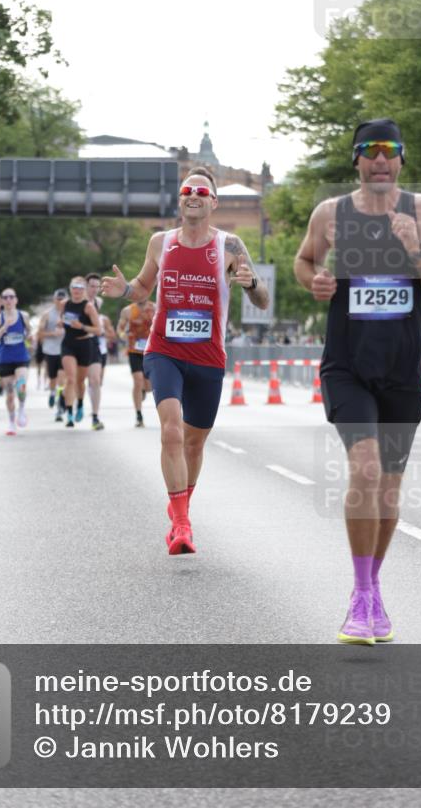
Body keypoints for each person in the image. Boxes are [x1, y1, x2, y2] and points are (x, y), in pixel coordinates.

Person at [294, 118, 421, 644]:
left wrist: (417, 250)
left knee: (388, 490)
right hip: (347, 365)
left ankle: (373, 588)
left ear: (402, 159)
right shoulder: (330, 213)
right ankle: (361, 596)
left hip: (402, 370)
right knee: (364, 469)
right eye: (370, 150)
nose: (380, 159)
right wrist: (315, 282)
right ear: (357, 160)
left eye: (390, 150)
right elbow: (303, 261)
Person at [102, 168, 269, 554]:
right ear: (180, 200)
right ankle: (181, 524)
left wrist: (251, 284)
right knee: (172, 431)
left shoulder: (230, 246)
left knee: (194, 444)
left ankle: (181, 506)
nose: (193, 195)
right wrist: (124, 289)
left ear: (213, 202)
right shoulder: (160, 243)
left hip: (209, 356)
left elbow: (262, 300)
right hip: (165, 350)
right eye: (186, 190)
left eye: (201, 191)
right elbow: (143, 287)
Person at [60, 276, 102, 429]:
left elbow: (98, 330)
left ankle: (80, 404)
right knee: (70, 379)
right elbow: (62, 319)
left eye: (80, 287)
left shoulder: (88, 307)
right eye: (74, 287)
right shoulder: (64, 304)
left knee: (79, 381)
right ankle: (69, 414)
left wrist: (82, 326)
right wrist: (61, 323)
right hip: (68, 344)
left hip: (84, 344)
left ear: (84, 290)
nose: (77, 290)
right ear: (70, 289)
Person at [0, 288, 32, 436]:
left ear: (16, 300)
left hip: (21, 357)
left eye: (11, 297)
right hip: (5, 359)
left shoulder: (23, 316)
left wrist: (29, 338)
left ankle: (21, 409)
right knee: (9, 394)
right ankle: (11, 422)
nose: (8, 300)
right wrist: (3, 328)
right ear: (2, 301)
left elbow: (29, 332)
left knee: (21, 385)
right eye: (5, 297)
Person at [117, 297, 156, 426]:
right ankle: (139, 415)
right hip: (134, 350)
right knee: (138, 380)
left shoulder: (155, 308)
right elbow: (120, 328)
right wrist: (123, 336)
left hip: (150, 351)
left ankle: (144, 390)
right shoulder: (128, 310)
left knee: (149, 386)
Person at [38, 290, 67, 419]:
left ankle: (60, 405)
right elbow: (39, 334)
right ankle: (51, 393)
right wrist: (52, 334)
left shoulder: (70, 314)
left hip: (65, 350)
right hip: (50, 350)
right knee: (53, 379)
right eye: (58, 299)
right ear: (54, 300)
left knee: (62, 379)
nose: (60, 301)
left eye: (63, 299)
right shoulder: (47, 315)